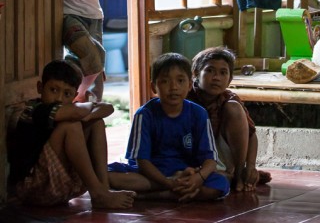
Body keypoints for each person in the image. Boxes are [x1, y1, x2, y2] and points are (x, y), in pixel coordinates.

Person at [7, 59, 135, 209]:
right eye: (53, 90)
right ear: (40, 88)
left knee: (96, 123)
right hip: (32, 188)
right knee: (71, 126)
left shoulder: (68, 109)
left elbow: (108, 108)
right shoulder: (35, 110)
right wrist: (88, 109)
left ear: (75, 95)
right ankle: (98, 194)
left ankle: (103, 189)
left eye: (67, 93)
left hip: (61, 185)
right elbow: (76, 112)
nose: (59, 98)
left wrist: (88, 116)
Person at [108, 53, 230, 201]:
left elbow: (210, 160)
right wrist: (168, 183)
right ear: (154, 86)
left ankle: (154, 196)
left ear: (190, 85)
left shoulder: (198, 113)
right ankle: (177, 193)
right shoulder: (145, 114)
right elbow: (142, 161)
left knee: (219, 184)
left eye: (180, 81)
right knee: (107, 175)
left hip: (185, 172)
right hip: (150, 173)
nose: (173, 87)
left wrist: (198, 178)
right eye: (165, 82)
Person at [187, 46, 272, 192]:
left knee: (233, 108)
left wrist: (250, 166)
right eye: (209, 71)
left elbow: (251, 135)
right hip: (189, 156)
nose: (216, 78)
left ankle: (238, 174)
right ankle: (222, 176)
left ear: (230, 79)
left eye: (223, 73)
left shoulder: (229, 99)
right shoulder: (186, 97)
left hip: (219, 158)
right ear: (195, 74)